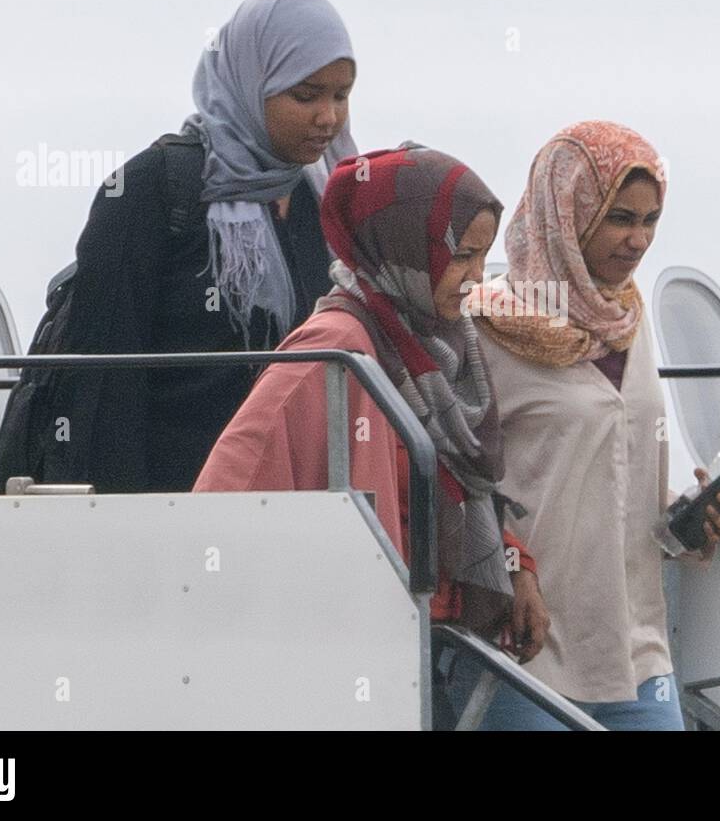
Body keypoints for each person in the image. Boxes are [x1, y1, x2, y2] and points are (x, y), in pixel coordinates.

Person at [194, 143, 551, 729]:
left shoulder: (440, 343)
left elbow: (458, 483)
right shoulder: (335, 350)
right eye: (460, 256)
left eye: (482, 258)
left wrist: (515, 560)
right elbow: (226, 493)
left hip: (421, 644)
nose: (473, 280)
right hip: (356, 664)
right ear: (403, 250)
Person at [0, 0, 357, 494]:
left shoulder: (323, 199)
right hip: (171, 510)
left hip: (287, 508)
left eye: (341, 95)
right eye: (306, 94)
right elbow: (103, 383)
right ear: (250, 82)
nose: (329, 118)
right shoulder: (154, 188)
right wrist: (129, 527)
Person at [448, 120, 720, 730]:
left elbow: (606, 476)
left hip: (636, 651)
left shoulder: (627, 321)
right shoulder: (482, 330)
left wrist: (686, 519)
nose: (638, 240)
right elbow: (451, 479)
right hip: (525, 647)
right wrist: (505, 561)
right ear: (567, 212)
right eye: (619, 218)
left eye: (650, 219)